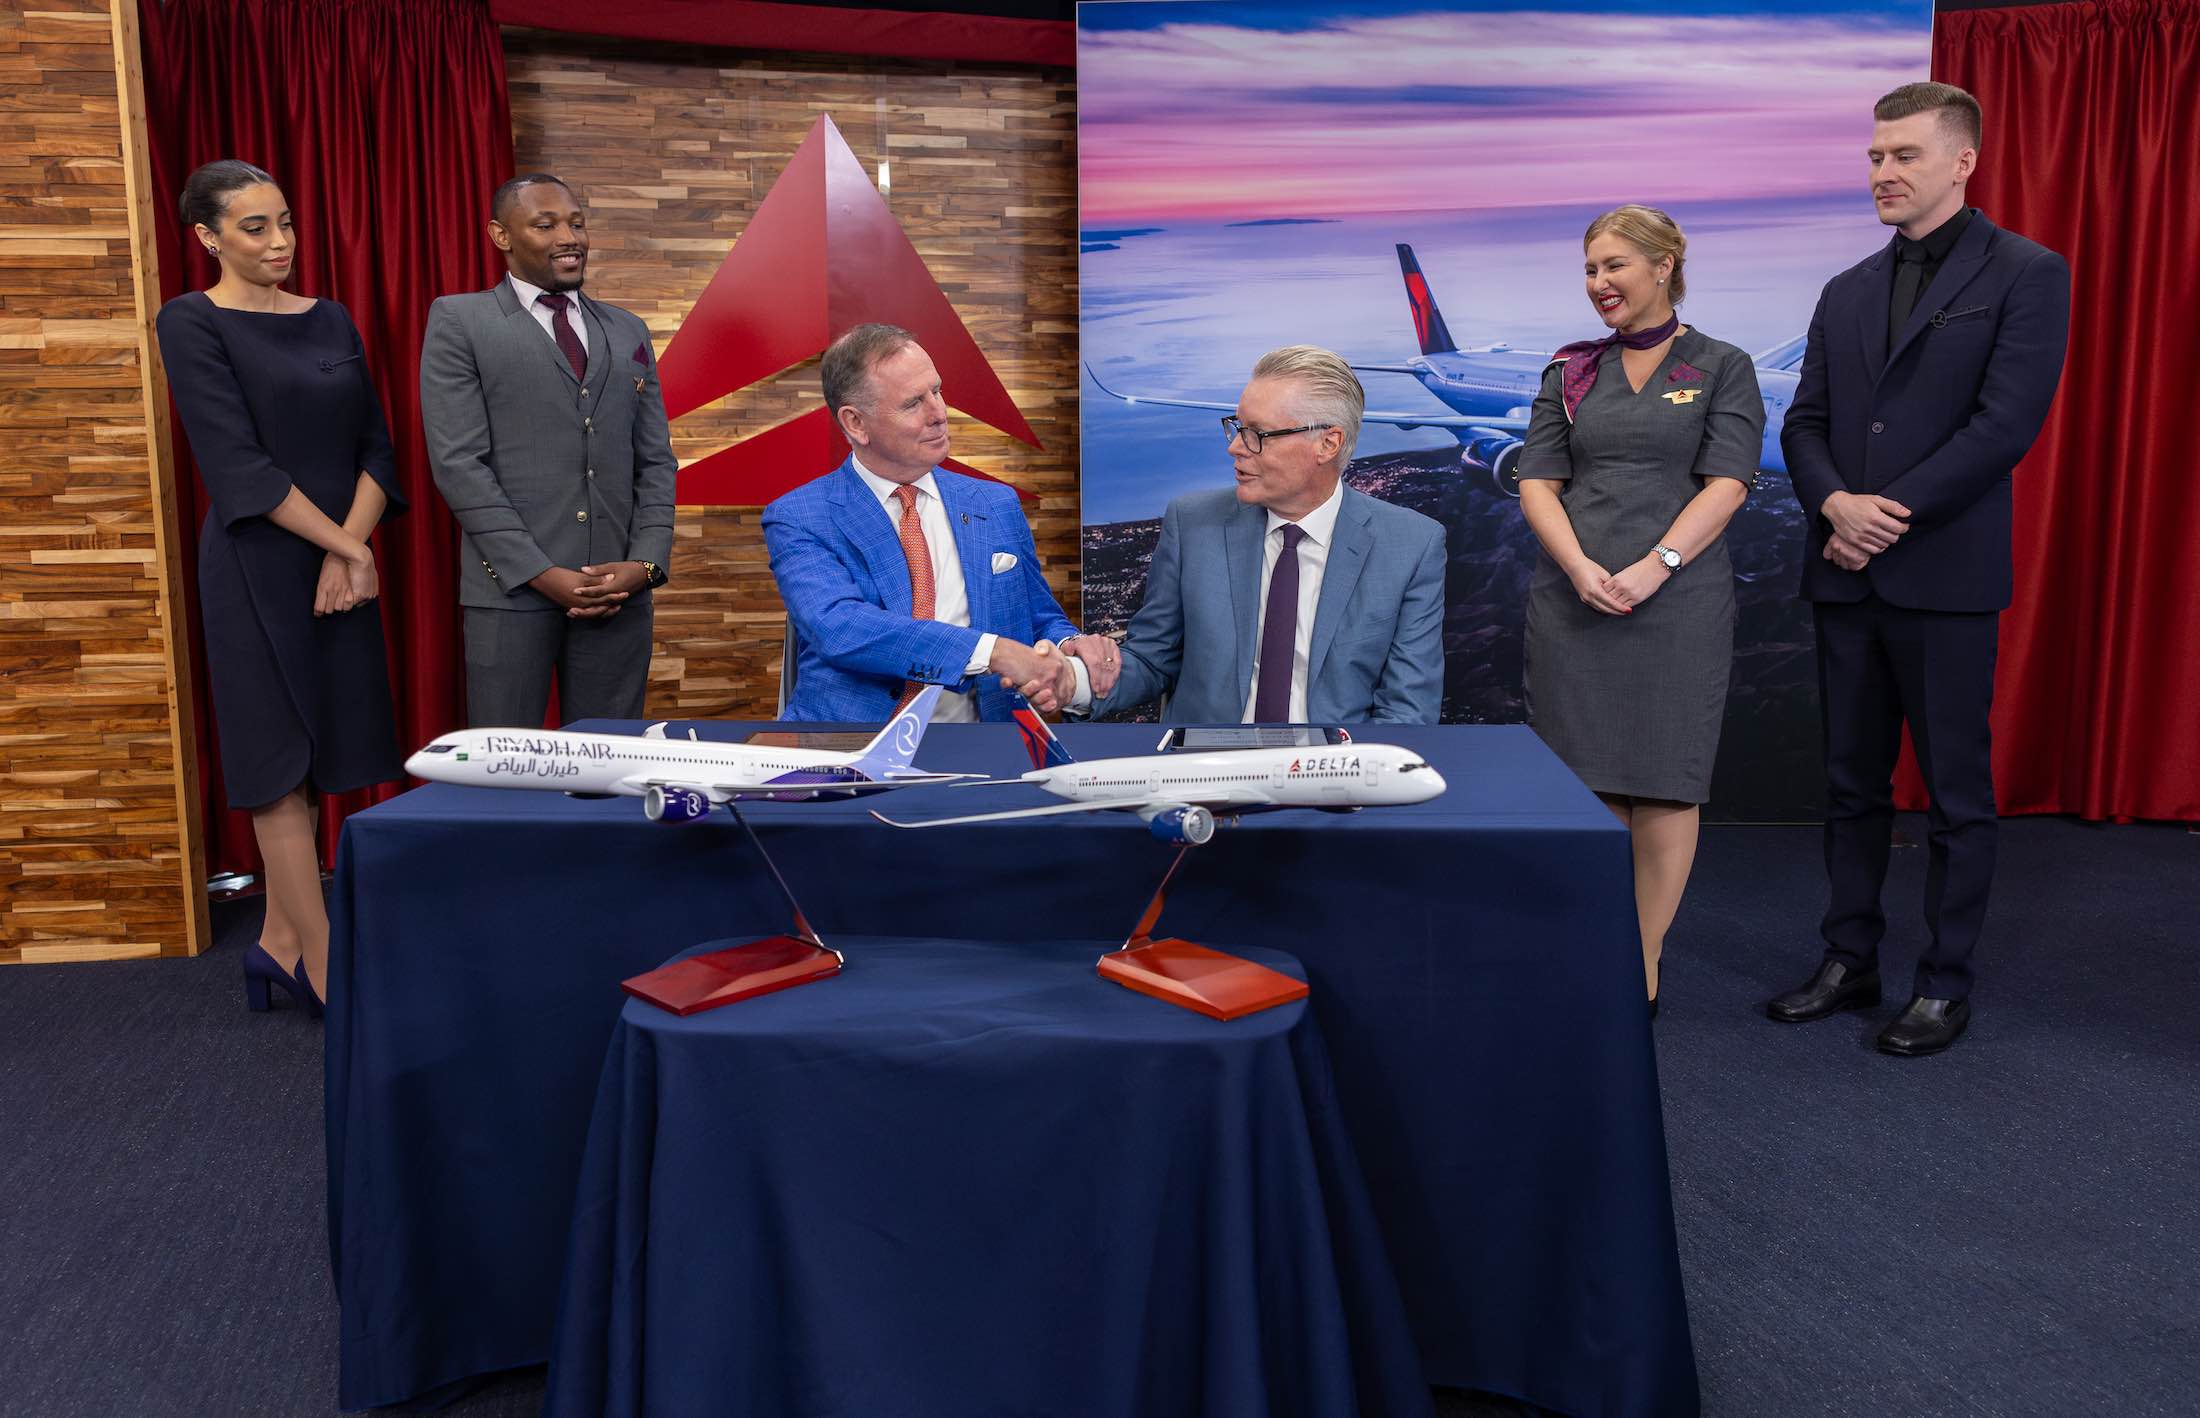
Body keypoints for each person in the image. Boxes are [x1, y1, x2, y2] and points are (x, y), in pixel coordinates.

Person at [1769, 82, 2069, 1056]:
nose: (1883, 172)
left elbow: (2003, 427)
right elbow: (1805, 423)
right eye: (1874, 156)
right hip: (1843, 570)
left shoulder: (2026, 272)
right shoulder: (1845, 288)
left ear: (1961, 162)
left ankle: (1943, 983)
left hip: (1942, 574)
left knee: (1955, 796)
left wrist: (1878, 517)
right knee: (1851, 786)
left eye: (1904, 155)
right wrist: (1834, 505)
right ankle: (1848, 958)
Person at [154, 160, 408, 1013]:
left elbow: (377, 451)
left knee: (319, 755)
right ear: (208, 237)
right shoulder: (190, 321)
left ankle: (276, 944)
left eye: (286, 222)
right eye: (255, 227)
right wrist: (347, 547)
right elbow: (239, 469)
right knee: (276, 763)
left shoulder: (329, 316)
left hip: (338, 563)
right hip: (256, 563)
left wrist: (348, 551)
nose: (279, 241)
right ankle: (325, 969)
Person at [1514, 206, 1764, 1014]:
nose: (1599, 283)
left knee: (1664, 783)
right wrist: (1579, 567)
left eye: (1615, 265)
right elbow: (1537, 480)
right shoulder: (1570, 370)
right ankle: (1590, 940)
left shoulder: (1721, 365)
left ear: (1664, 266)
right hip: (1575, 600)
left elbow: (1728, 483)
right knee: (1585, 785)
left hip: (1677, 604)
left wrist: (1657, 567)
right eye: (1591, 269)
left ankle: (1641, 961)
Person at [1069, 345, 1445, 724]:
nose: (1235, 447)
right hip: (1208, 757)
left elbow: (1407, 712)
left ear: (1327, 444)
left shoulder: (1411, 545)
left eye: (1257, 434)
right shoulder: (1192, 524)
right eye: (1237, 427)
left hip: (1336, 759)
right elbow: (1152, 660)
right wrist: (1073, 682)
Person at [419, 173, 676, 728]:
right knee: (506, 769)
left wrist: (645, 565)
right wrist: (538, 571)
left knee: (610, 763)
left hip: (618, 597)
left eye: (577, 224)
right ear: (501, 235)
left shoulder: (628, 329)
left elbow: (656, 460)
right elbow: (459, 465)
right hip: (509, 594)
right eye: (546, 225)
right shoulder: (461, 320)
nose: (569, 238)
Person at [763, 323, 1114, 722]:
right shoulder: (800, 516)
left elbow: (1037, 617)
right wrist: (991, 652)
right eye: (913, 403)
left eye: (937, 391)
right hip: (850, 747)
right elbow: (842, 628)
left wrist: (1067, 646)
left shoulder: (996, 503)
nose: (939, 413)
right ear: (856, 423)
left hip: (981, 745)